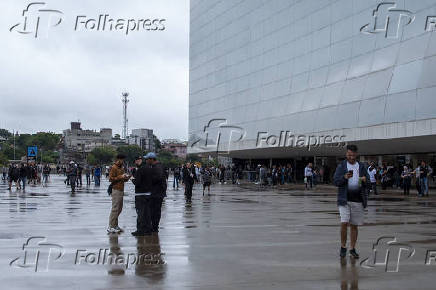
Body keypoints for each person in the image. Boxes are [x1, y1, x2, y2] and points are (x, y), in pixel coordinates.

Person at [334, 145, 370, 259]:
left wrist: (365, 180)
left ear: (356, 154)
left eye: (353, 155)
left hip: (358, 200)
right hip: (344, 199)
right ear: (346, 154)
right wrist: (344, 177)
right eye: (349, 154)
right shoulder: (342, 166)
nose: (351, 157)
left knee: (354, 225)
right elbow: (335, 181)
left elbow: (369, 183)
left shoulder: (361, 166)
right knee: (344, 222)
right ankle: (343, 247)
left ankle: (352, 248)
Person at [107, 154, 130, 234]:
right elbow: (110, 179)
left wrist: (127, 178)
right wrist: (120, 177)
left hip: (121, 189)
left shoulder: (122, 168)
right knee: (115, 208)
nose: (123, 161)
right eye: (122, 160)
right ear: (118, 160)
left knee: (119, 208)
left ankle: (115, 225)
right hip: (116, 189)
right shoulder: (114, 167)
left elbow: (123, 179)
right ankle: (111, 226)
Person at [131, 156, 153, 236]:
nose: (135, 163)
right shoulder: (149, 168)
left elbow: (137, 182)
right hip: (148, 193)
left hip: (140, 194)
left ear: (138, 161)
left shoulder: (140, 170)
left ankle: (140, 230)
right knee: (147, 213)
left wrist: (132, 178)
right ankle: (148, 230)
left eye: (136, 161)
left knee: (140, 213)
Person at [146, 152, 167, 233]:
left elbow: (157, 178)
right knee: (155, 210)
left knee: (155, 211)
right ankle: (154, 226)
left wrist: (148, 180)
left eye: (147, 159)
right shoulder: (157, 166)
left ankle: (154, 227)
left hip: (157, 193)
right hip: (157, 192)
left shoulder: (157, 167)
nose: (146, 161)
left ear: (151, 159)